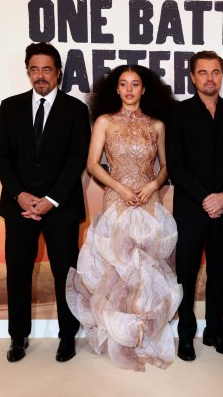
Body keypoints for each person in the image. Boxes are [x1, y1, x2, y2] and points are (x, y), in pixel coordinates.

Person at [66, 65, 181, 372]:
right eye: (123, 84)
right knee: (115, 269)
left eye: (135, 84)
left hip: (148, 202)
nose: (129, 89)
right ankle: (118, 339)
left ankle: (143, 336)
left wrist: (153, 186)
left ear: (145, 89)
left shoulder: (157, 125)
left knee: (145, 269)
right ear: (115, 89)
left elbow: (166, 166)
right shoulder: (104, 121)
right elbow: (93, 164)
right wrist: (120, 188)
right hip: (117, 201)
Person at [0, 42, 91, 363]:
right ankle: (17, 337)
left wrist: (51, 199)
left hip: (61, 208)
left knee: (66, 275)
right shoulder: (10, 107)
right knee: (18, 274)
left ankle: (67, 337)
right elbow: (1, 156)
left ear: (58, 72)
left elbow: (77, 158)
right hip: (18, 207)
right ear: (27, 72)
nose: (40, 75)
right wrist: (19, 195)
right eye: (34, 69)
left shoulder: (75, 110)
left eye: (46, 69)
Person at [166, 51, 223, 361]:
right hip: (190, 211)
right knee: (186, 275)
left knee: (219, 274)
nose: (209, 78)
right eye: (203, 72)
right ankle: (186, 335)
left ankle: (214, 332)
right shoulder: (179, 113)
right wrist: (206, 198)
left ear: (221, 75)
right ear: (192, 77)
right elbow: (176, 165)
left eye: (215, 72)